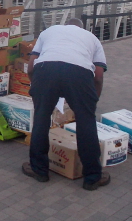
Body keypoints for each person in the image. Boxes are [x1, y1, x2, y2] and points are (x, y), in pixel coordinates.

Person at [21, 17, 110, 191]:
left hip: (45, 70)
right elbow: (98, 76)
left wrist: (37, 89)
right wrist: (92, 102)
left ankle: (39, 170)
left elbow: (31, 67)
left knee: (41, 119)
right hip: (79, 72)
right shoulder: (92, 38)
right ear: (81, 28)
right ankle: (92, 177)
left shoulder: (49, 32)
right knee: (86, 122)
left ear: (66, 25)